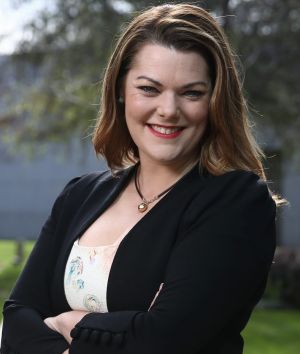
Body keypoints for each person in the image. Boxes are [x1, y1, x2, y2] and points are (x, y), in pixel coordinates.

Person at [1, 3, 278, 354]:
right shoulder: (79, 195)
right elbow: (15, 320)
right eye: (149, 89)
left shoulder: (237, 202)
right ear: (120, 90)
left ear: (216, 101)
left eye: (192, 92)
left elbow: (165, 339)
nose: (168, 110)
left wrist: (69, 323)